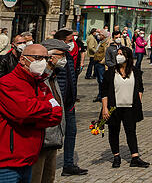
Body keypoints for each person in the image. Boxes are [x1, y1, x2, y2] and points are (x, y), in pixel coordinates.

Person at [0, 44, 64, 182]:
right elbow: (24, 113)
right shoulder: (7, 83)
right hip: (7, 163)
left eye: (45, 58)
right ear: (23, 60)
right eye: (37, 58)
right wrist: (46, 108)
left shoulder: (40, 84)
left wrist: (35, 114)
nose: (42, 62)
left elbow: (57, 114)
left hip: (30, 158)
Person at [100, 46, 149, 168]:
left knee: (131, 132)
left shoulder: (135, 72)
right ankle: (116, 156)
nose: (118, 56)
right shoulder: (110, 72)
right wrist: (105, 108)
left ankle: (135, 157)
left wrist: (138, 101)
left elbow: (140, 88)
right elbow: (104, 91)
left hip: (130, 107)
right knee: (114, 132)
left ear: (128, 57)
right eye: (118, 54)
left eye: (121, 54)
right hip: (114, 107)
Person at [30, 39, 69, 183]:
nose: (64, 59)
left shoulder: (52, 75)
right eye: (61, 55)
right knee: (36, 177)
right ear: (50, 57)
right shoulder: (39, 77)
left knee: (49, 177)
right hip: (42, 139)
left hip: (54, 138)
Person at [52, 29, 88, 177]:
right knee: (52, 136)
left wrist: (73, 97)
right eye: (69, 40)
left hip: (69, 102)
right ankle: (44, 166)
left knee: (71, 132)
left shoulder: (67, 56)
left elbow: (73, 79)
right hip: (56, 103)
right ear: (61, 41)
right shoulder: (53, 57)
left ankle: (68, 164)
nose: (72, 43)